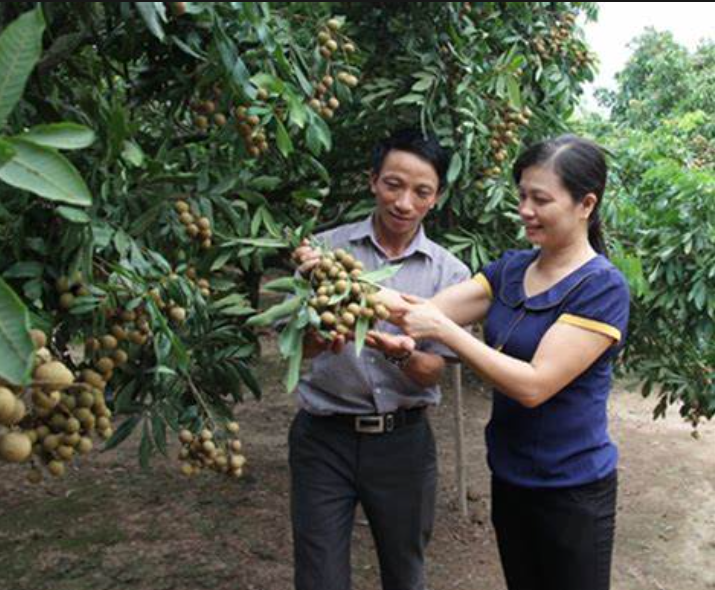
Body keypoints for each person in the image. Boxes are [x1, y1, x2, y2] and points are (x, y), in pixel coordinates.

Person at [379, 134, 630, 590]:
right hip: (511, 476)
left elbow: (534, 385)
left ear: (585, 204)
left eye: (540, 199)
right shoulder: (511, 268)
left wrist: (444, 332)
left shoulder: (601, 287)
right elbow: (428, 308)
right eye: (521, 196)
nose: (525, 210)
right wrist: (338, 279)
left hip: (572, 491)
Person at [289, 128, 471, 590]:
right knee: (319, 577)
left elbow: (434, 370)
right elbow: (296, 349)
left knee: (405, 574)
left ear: (436, 198)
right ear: (372, 180)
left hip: (403, 445)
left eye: (421, 191)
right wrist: (320, 331)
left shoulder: (450, 273)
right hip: (322, 439)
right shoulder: (325, 254)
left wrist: (395, 355)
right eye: (393, 184)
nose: (404, 202)